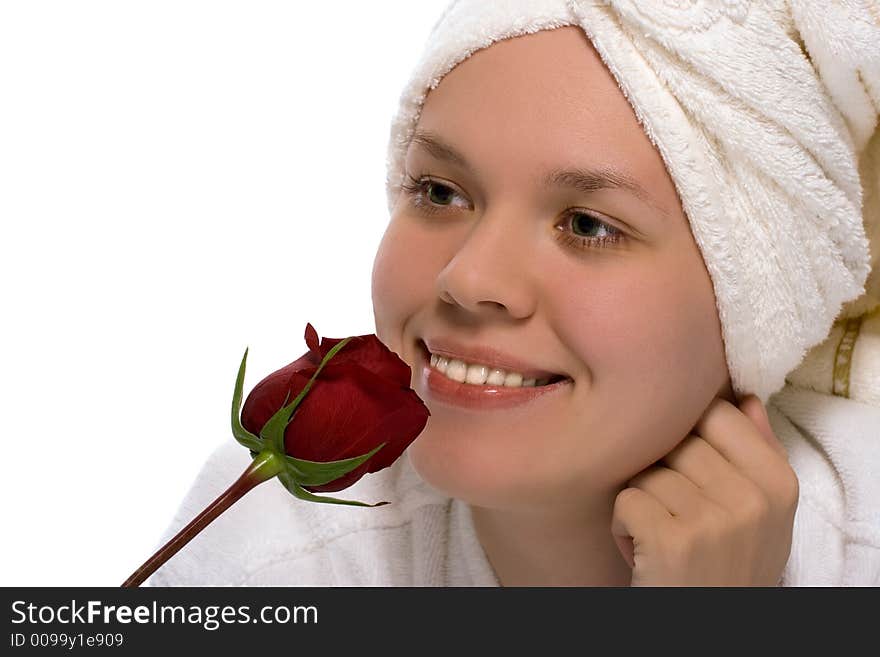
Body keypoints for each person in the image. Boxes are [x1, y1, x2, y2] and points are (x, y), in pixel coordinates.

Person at [145, 0, 880, 586]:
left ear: (756, 302)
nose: (466, 277)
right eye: (439, 190)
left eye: (588, 224)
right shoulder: (274, 554)